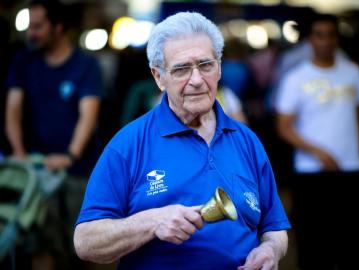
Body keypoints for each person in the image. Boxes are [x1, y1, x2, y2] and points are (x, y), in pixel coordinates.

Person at [74, 12, 290, 270]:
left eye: (205, 65)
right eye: (181, 69)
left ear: (219, 67)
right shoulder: (128, 144)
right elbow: (85, 242)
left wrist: (271, 250)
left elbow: (274, 227)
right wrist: (152, 222)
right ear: (158, 77)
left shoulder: (247, 141)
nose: (197, 80)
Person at [5, 0, 103, 269]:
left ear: (58, 28)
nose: (30, 34)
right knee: (40, 247)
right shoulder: (24, 61)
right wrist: (19, 152)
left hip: (77, 171)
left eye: (37, 27)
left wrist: (70, 155)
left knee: (84, 249)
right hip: (36, 170)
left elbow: (88, 115)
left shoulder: (85, 66)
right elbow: (13, 108)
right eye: (29, 26)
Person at [275, 14, 359, 269]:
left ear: (337, 38)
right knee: (314, 244)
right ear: (309, 39)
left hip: (353, 168)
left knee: (355, 244)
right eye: (320, 35)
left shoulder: (352, 72)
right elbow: (283, 127)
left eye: (331, 34)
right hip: (312, 173)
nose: (326, 41)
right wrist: (318, 152)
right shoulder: (296, 78)